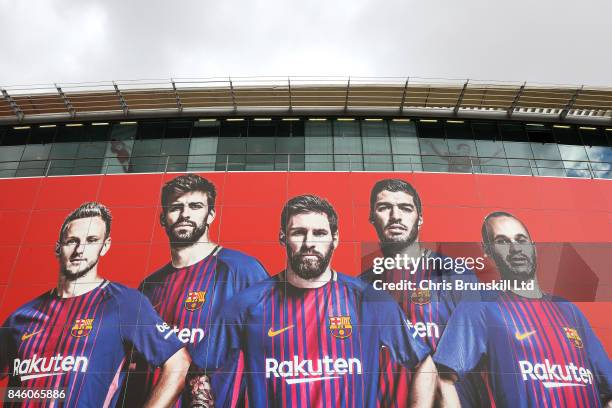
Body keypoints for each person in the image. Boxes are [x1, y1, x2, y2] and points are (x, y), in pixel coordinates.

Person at [189, 194, 436, 407]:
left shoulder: (370, 300)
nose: (309, 243)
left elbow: (423, 363)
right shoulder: (244, 304)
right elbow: (199, 371)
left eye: (319, 233)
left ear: (335, 239)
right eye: (299, 233)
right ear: (283, 238)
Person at [0, 202, 190, 407]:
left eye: (91, 241)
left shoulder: (124, 303)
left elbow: (178, 363)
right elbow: (15, 391)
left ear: (105, 246)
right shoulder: (21, 317)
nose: (79, 250)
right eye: (72, 241)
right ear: (58, 247)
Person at [435, 212, 612, 407]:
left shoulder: (568, 309)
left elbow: (609, 390)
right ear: (488, 251)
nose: (515, 249)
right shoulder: (480, 305)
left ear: (533, 247)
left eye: (521, 239)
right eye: (502, 241)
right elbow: (443, 379)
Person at [127, 174, 268, 407]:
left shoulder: (242, 269)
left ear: (210, 215)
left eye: (195, 206)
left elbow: (271, 348)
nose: (185, 214)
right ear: (163, 218)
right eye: (176, 207)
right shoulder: (148, 286)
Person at [360, 178, 487, 407]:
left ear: (419, 218)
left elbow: (478, 346)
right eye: (384, 207)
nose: (395, 216)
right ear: (372, 218)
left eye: (405, 208)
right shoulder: (364, 285)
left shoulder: (455, 273)